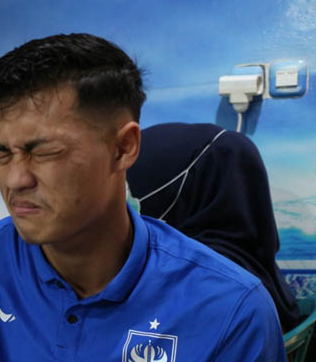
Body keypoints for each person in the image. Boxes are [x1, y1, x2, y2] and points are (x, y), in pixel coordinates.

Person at [0, 33, 289, 362]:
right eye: (1, 154)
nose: (15, 179)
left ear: (123, 148)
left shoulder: (229, 311)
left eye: (44, 152)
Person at [126, 122, 301, 333]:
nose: (128, 201)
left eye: (131, 188)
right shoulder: (252, 272)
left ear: (180, 191)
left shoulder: (199, 285)